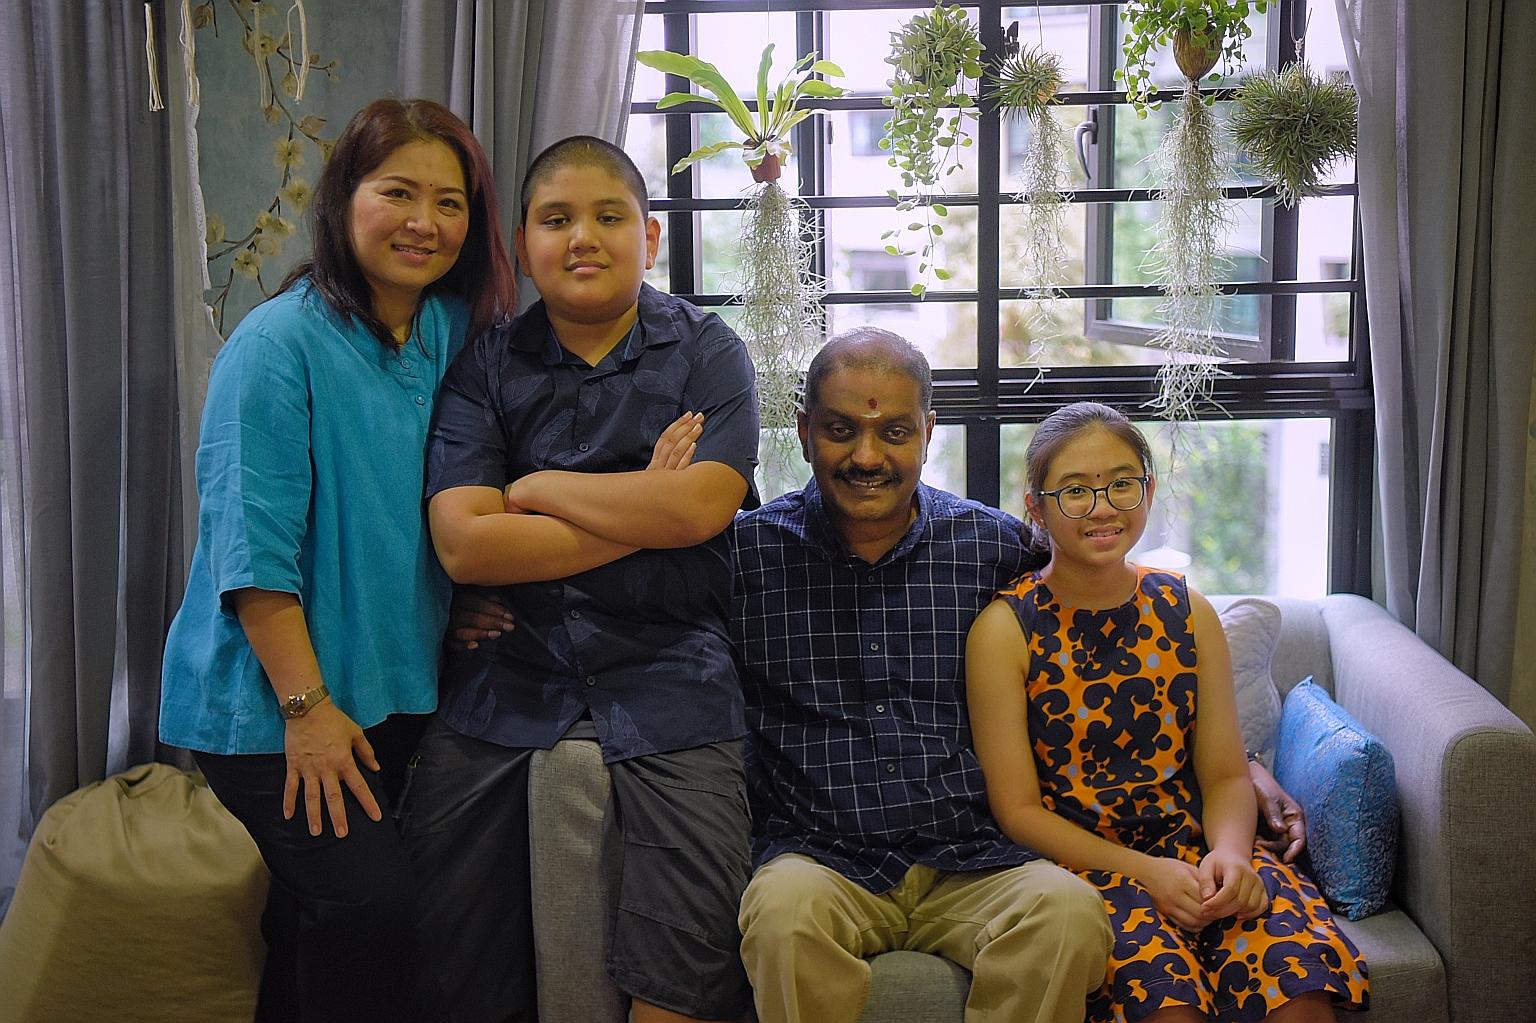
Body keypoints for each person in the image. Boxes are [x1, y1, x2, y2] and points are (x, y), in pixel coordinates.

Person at [159, 98, 516, 1023]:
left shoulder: (449, 332)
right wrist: (307, 712)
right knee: (373, 909)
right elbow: (253, 554)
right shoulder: (276, 345)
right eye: (397, 192)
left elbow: (437, 499)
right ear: (343, 197)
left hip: (390, 687)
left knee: (315, 920)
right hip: (272, 704)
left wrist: (456, 596)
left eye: (449, 202)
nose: (424, 221)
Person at [407, 135, 759, 1023]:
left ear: (650, 237)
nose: (583, 238)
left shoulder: (708, 352)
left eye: (609, 217)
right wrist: (645, 507)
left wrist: (535, 489)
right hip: (507, 675)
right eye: (556, 219)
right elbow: (467, 548)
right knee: (439, 941)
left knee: (687, 961)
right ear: (523, 246)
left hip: (674, 677)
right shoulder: (486, 365)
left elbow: (701, 508)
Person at [731, 327, 1114, 1023]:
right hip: (820, 860)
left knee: (1068, 913)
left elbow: (1107, 642)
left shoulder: (994, 547)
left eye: (894, 432)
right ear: (805, 431)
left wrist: (1244, 764)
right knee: (780, 917)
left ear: (928, 433)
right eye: (841, 430)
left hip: (974, 858)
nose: (867, 456)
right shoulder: (747, 554)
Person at [964, 401, 1368, 1023]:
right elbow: (1018, 812)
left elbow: (1225, 775)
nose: (1102, 507)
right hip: (1086, 871)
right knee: (1168, 1009)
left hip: (1201, 850)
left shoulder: (1187, 610)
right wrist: (1147, 873)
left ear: (1148, 491)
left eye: (1122, 484)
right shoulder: (1005, 629)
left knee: (1298, 998)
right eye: (1075, 491)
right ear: (1037, 508)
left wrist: (1231, 854)